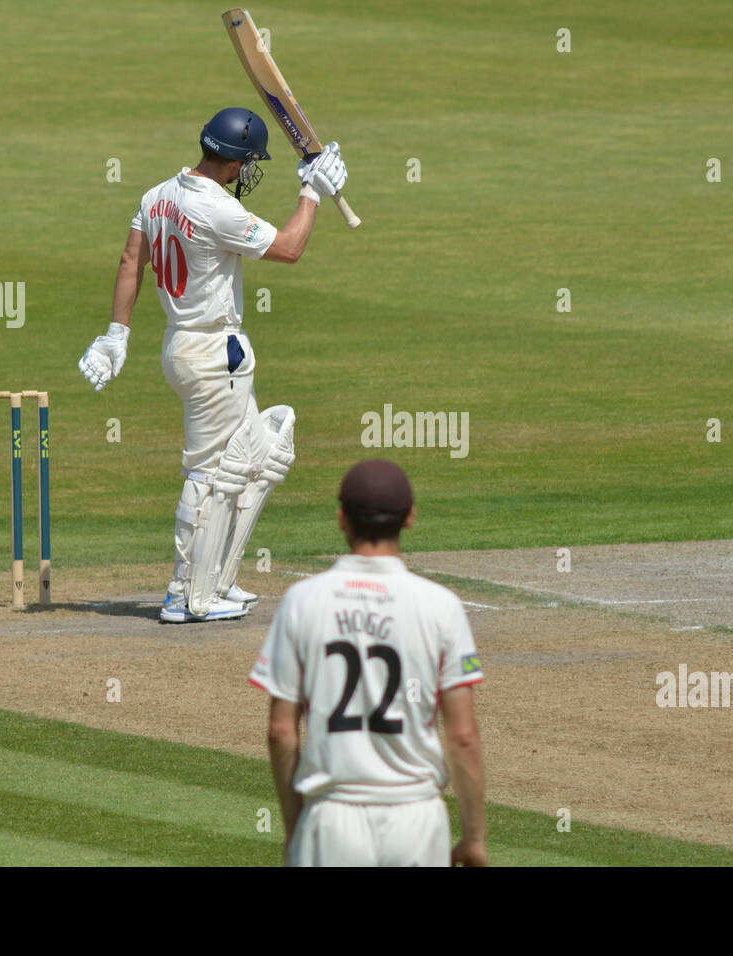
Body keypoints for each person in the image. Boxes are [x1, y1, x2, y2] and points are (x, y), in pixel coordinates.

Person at [77, 107, 347, 622]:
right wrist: (312, 192)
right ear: (239, 163)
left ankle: (216, 581)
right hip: (213, 356)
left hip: (184, 347)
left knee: (261, 455)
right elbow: (290, 249)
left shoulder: (156, 196)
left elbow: (131, 261)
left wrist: (117, 333)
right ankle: (185, 595)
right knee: (210, 474)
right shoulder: (217, 210)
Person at [248, 460, 488, 866]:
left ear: (342, 519)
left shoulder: (302, 600)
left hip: (330, 819)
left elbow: (281, 731)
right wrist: (474, 837)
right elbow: (462, 736)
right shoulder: (440, 605)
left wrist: (295, 827)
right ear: (410, 517)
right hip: (416, 820)